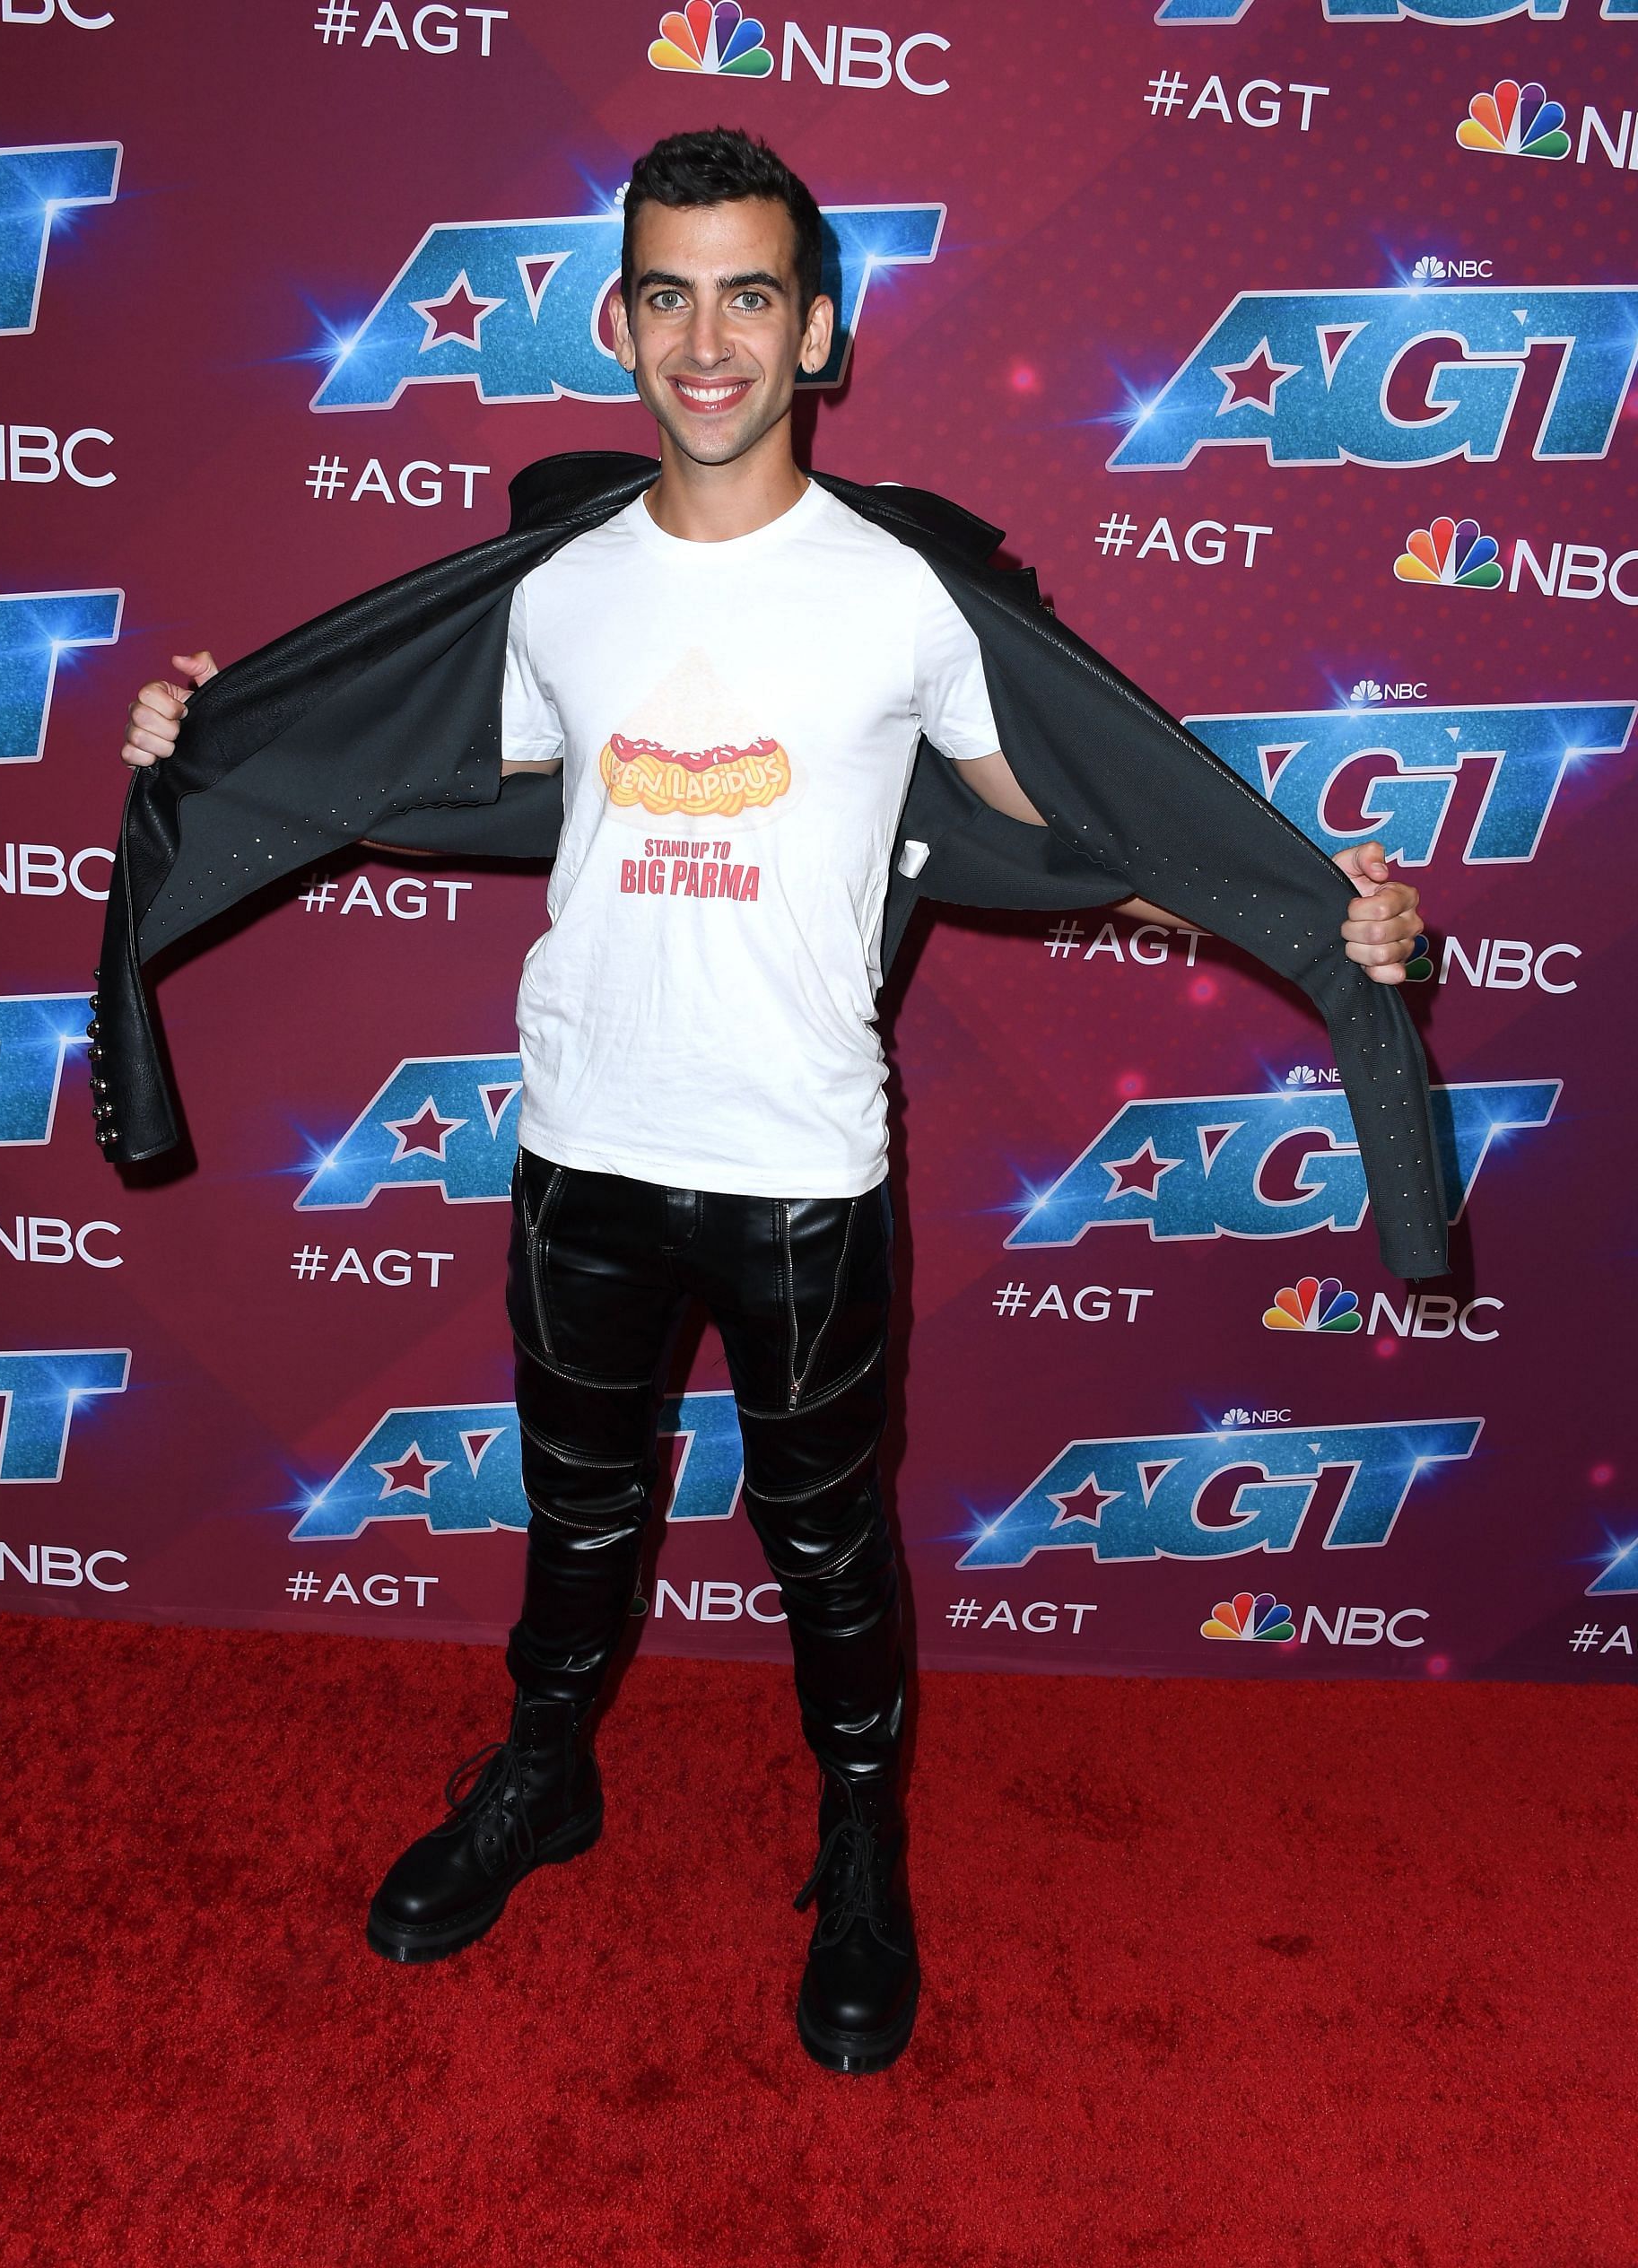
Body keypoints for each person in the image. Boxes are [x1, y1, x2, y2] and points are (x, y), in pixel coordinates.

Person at [117, 128, 1425, 2076]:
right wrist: (203, 747)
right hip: (583, 1155)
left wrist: (1313, 916)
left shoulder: (905, 596)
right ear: (619, 321)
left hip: (804, 1174)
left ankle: (865, 1844)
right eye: (668, 294)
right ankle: (544, 1780)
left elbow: (1063, 824)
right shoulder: (552, 588)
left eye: (748, 295)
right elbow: (383, 757)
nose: (705, 337)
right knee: (578, 1523)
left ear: (817, 328)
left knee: (828, 1549)